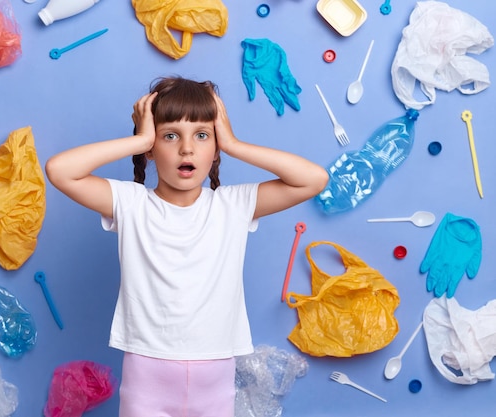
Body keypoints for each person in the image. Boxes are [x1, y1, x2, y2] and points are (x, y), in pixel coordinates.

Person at [45, 76, 328, 417]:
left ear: (216, 145)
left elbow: (314, 179)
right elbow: (60, 170)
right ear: (151, 148)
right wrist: (140, 139)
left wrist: (235, 144)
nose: (187, 149)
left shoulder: (233, 205)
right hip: (147, 378)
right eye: (170, 136)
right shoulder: (131, 203)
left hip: (216, 381)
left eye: (202, 135)